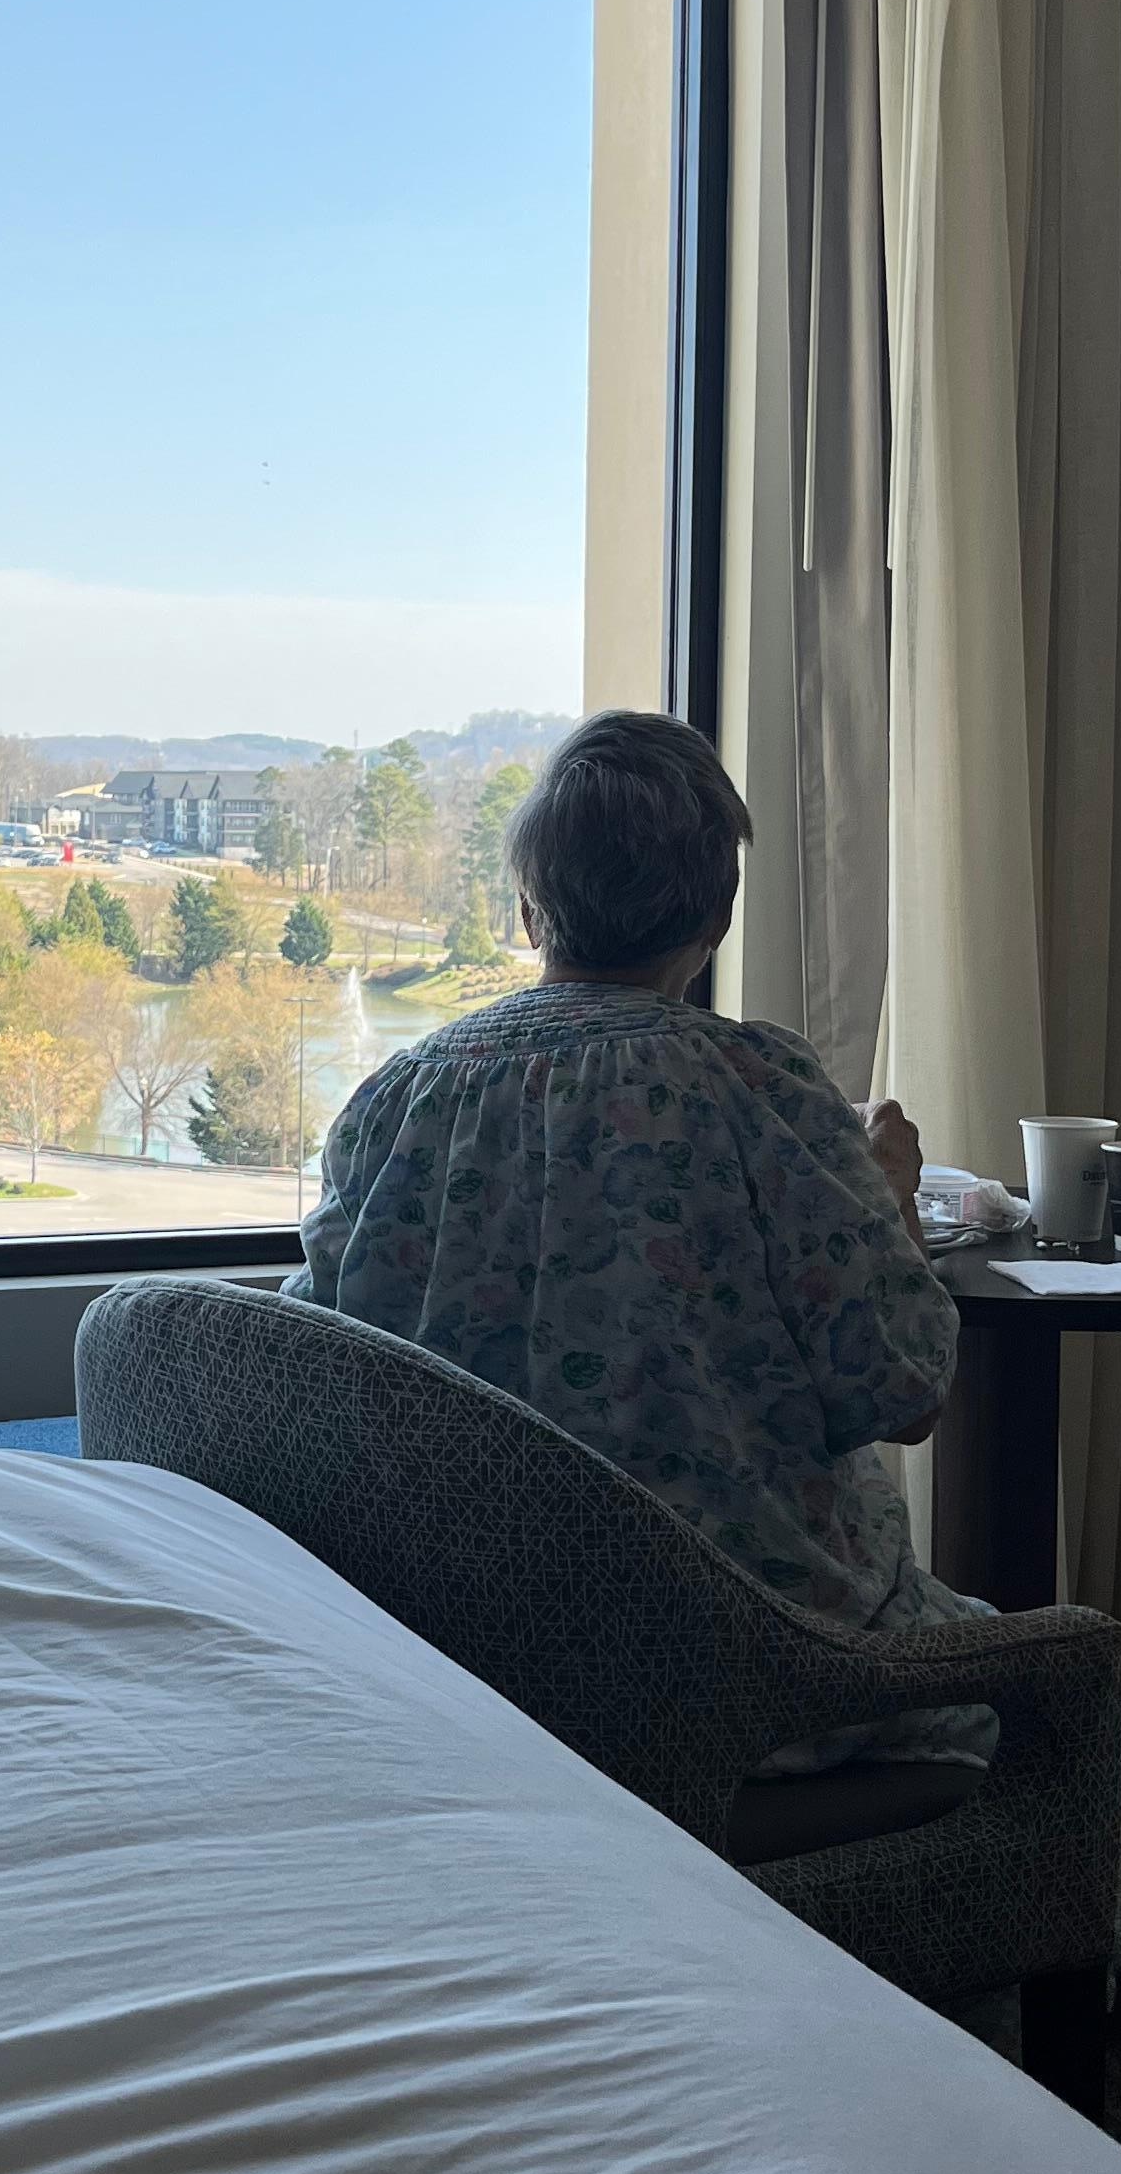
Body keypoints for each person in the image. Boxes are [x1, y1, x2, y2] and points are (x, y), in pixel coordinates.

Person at [289, 709, 989, 1665]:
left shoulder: (395, 1098)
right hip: (748, 1650)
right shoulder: (766, 1091)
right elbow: (904, 1397)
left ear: (530, 912)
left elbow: (318, 1355)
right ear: (719, 915)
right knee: (1014, 1667)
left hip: (452, 1649)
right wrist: (890, 1193)